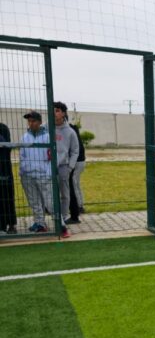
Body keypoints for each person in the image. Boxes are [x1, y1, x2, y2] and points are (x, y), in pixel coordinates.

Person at [19, 111, 52, 233]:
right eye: (29, 121)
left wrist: (48, 173)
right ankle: (40, 224)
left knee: (50, 201)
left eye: (33, 121)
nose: (31, 123)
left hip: (43, 175)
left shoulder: (47, 136)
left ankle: (60, 224)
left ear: (40, 122)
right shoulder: (24, 137)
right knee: (34, 202)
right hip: (28, 175)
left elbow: (52, 157)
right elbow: (22, 156)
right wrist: (23, 171)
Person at [53, 102, 79, 238]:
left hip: (63, 167)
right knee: (49, 195)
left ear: (63, 113)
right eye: (53, 110)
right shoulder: (45, 128)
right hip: (47, 167)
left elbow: (75, 151)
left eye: (57, 110)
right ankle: (44, 221)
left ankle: (62, 219)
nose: (54, 113)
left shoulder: (70, 132)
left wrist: (70, 167)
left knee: (65, 195)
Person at [66, 120, 86, 224]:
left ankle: (79, 206)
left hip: (77, 161)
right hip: (80, 161)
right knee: (76, 183)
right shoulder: (73, 129)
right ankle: (80, 204)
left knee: (74, 184)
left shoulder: (69, 130)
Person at [0, 122, 17, 234]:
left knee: (8, 197)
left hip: (4, 167)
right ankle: (2, 226)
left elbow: (6, 147)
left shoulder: (3, 128)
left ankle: (11, 224)